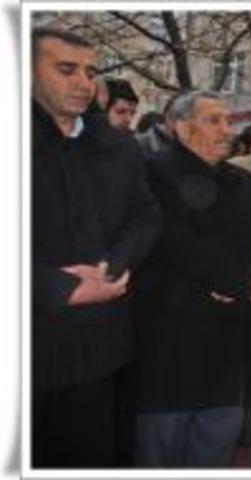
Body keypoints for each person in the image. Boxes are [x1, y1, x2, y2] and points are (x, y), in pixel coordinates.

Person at [31, 27, 162, 467]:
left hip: (100, 348)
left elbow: (146, 217)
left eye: (90, 71)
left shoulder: (119, 147)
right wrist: (54, 286)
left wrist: (111, 266)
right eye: (66, 69)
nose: (84, 82)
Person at [129, 91, 251, 467]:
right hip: (171, 338)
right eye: (214, 120)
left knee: (216, 444)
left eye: (229, 121)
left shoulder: (243, 181)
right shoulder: (151, 172)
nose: (226, 130)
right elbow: (175, 240)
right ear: (181, 126)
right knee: (162, 450)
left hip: (229, 339)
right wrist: (241, 281)